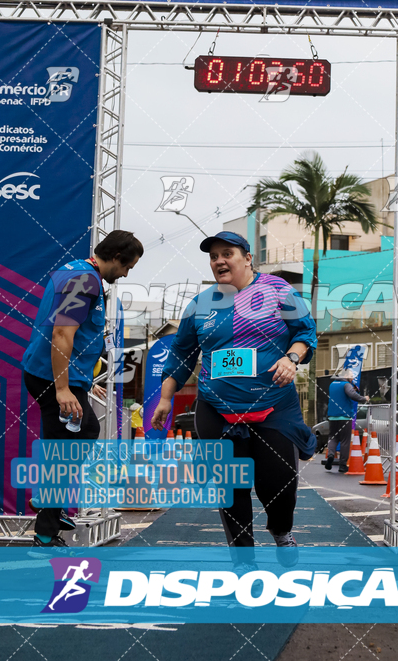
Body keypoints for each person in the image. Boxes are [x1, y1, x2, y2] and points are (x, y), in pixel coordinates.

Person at [151, 231, 317, 561]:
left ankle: (282, 531)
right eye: (213, 257)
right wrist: (166, 399)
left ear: (247, 257)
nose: (219, 261)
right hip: (216, 408)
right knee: (230, 488)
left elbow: (304, 333)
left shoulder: (278, 290)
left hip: (274, 406)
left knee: (278, 482)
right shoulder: (201, 304)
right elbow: (181, 355)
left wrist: (292, 358)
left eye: (227, 253)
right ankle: (243, 559)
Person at [22, 230, 143, 547]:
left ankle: (51, 505)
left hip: (58, 375)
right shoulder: (84, 280)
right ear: (116, 257)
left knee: (66, 444)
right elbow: (62, 333)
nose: (127, 273)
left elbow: (82, 338)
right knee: (83, 432)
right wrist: (63, 389)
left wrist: (84, 383)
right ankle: (46, 530)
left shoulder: (75, 270)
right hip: (52, 378)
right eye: (128, 266)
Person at [325, 368, 369, 473]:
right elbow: (352, 395)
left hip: (332, 416)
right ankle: (342, 465)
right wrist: (364, 398)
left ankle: (331, 455)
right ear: (345, 376)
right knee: (345, 440)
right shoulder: (346, 385)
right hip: (344, 417)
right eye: (351, 375)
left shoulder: (332, 384)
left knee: (333, 438)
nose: (352, 377)